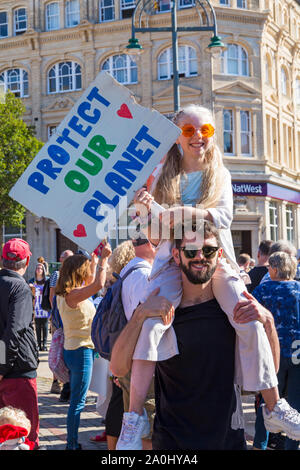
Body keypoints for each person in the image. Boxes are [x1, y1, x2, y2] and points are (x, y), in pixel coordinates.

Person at [115, 104, 290, 449]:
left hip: (223, 268)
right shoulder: (163, 173)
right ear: (177, 135)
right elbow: (154, 233)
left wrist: (175, 213)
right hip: (166, 264)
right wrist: (145, 209)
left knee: (249, 319)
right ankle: (133, 418)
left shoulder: (219, 174)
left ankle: (274, 407)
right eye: (190, 130)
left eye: (206, 130)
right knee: (151, 326)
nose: (198, 137)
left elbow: (223, 217)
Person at [111, 221, 280, 449]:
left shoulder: (234, 310)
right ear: (176, 255)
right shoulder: (158, 307)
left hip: (227, 440)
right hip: (172, 441)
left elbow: (273, 369)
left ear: (219, 254)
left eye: (208, 250)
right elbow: (118, 368)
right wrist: (140, 314)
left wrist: (268, 321)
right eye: (191, 251)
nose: (200, 257)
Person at [55, 244, 111, 450]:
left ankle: (71, 442)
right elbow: (97, 284)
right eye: (85, 268)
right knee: (78, 402)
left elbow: (91, 282)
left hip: (76, 349)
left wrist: (95, 260)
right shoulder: (73, 295)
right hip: (81, 352)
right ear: (77, 272)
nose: (88, 271)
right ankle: (71, 444)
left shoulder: (67, 293)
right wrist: (104, 261)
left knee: (78, 399)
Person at [250, 251, 300, 450]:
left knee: (270, 402)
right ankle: (292, 445)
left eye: (269, 267)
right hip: (297, 353)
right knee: (295, 404)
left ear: (275, 268)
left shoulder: (263, 290)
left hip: (272, 353)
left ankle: (260, 444)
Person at [117, 236, 157, 451]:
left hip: (130, 358)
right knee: (147, 426)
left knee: (136, 420)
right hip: (142, 358)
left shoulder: (129, 271)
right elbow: (145, 320)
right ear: (150, 244)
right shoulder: (143, 274)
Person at [0, 238, 39, 448]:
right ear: (26, 261)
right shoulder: (20, 287)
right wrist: (2, 366)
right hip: (17, 372)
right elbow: (13, 332)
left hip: (7, 367)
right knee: (23, 436)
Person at [49, 249, 74, 397]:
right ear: (61, 259)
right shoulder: (57, 275)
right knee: (58, 350)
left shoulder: (72, 274)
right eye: (67, 258)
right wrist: (58, 315)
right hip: (59, 319)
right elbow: (53, 295)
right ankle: (56, 382)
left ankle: (67, 383)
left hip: (69, 319)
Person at [29, 263, 50, 351]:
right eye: (37, 268)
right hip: (36, 306)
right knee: (37, 326)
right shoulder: (32, 280)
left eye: (41, 268)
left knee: (45, 325)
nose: (39, 269)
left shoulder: (47, 281)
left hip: (44, 305)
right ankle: (38, 344)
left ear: (43, 270)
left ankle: (44, 344)